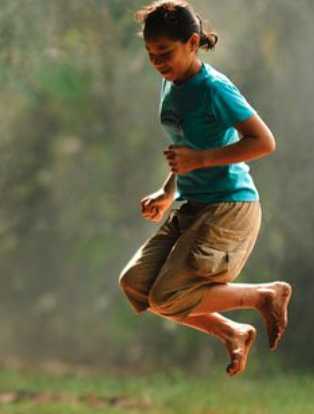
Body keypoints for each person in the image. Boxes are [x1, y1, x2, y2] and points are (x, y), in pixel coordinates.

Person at [119, 1, 292, 376]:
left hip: (229, 207)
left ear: (192, 42)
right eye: (151, 55)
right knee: (135, 284)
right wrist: (168, 191)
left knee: (166, 297)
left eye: (165, 53)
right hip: (191, 203)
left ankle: (266, 295)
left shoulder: (213, 88)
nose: (158, 62)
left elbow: (263, 142)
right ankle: (232, 333)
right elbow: (185, 147)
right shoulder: (171, 83)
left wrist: (199, 162)